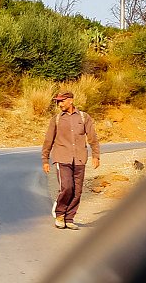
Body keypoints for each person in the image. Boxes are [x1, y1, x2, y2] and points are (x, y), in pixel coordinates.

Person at [41, 90, 100, 230]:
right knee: (67, 186)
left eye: (62, 101)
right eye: (58, 101)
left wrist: (96, 155)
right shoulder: (56, 119)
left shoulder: (84, 117)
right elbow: (48, 140)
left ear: (71, 100)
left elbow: (92, 137)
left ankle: (69, 218)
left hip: (80, 159)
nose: (59, 104)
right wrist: (45, 159)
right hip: (62, 158)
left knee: (77, 191)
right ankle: (60, 214)